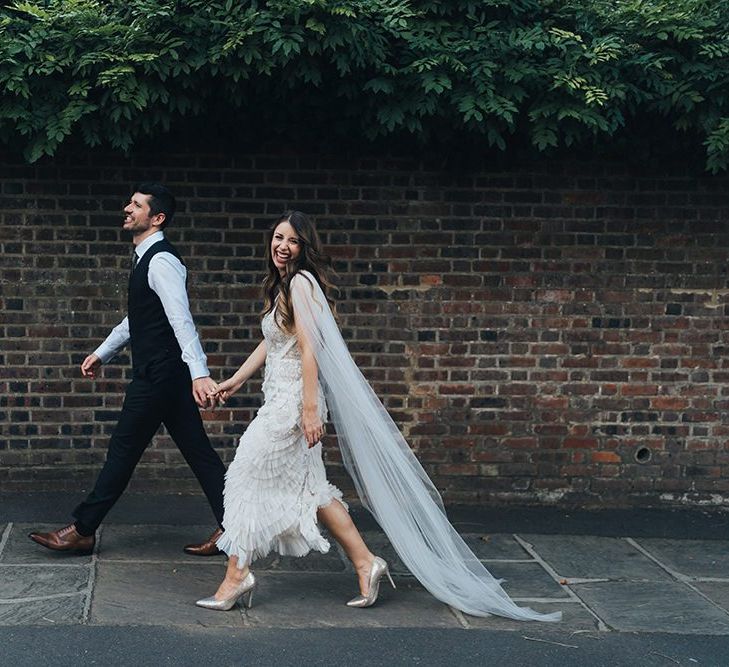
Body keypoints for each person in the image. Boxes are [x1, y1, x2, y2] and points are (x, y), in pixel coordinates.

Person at [196, 211, 560, 623]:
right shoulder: (284, 285)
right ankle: (367, 563)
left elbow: (311, 349)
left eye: (293, 241)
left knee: (244, 474)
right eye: (278, 237)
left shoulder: (300, 282)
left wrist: (311, 408)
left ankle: (236, 576)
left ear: (305, 248)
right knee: (313, 492)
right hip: (280, 398)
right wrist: (235, 380)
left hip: (293, 405)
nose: (282, 246)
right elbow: (274, 343)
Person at [29, 183, 225, 557]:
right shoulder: (147, 257)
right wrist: (104, 352)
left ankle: (82, 529)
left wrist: (199, 372)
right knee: (199, 452)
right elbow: (139, 317)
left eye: (136, 205)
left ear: (157, 218)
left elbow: (180, 319)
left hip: (159, 376)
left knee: (123, 450)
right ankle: (237, 527)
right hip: (164, 375)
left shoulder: (162, 261)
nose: (127, 209)